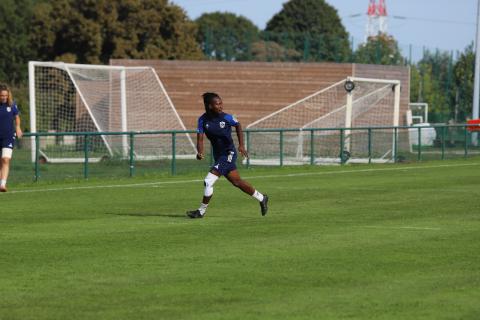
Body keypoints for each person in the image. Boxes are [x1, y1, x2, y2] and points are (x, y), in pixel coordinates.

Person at [186, 92, 268, 218]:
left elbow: (238, 124)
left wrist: (241, 145)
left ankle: (201, 211)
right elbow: (200, 139)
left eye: (221, 103)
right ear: (209, 106)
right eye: (217, 104)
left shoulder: (226, 117)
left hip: (229, 153)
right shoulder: (202, 120)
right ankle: (262, 198)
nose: (221, 106)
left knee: (208, 181)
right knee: (237, 182)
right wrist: (200, 152)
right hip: (219, 156)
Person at [0, 85, 22, 192]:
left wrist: (18, 128)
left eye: (5, 95)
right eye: (2, 95)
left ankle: (3, 184)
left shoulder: (12, 105)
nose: (4, 97)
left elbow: (17, 118)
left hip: (8, 136)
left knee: (5, 159)